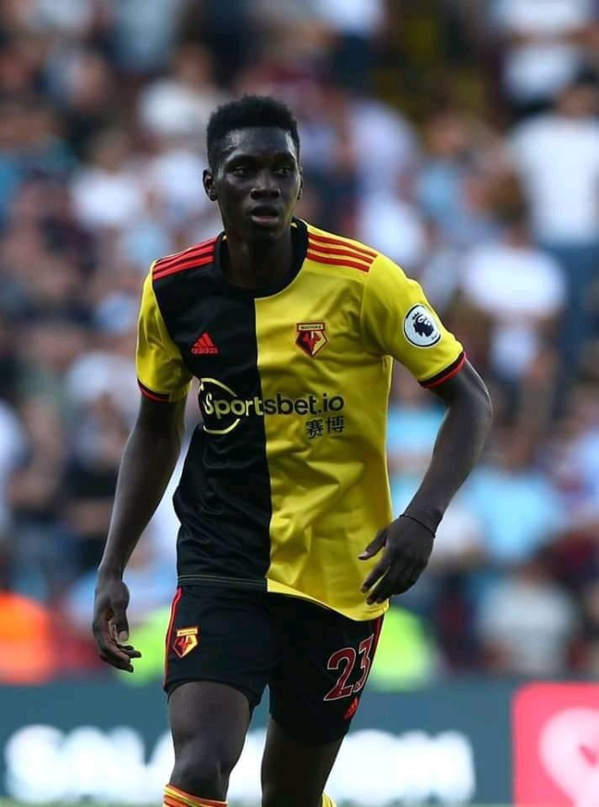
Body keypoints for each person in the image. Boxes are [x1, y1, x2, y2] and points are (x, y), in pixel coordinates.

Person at [92, 96, 492, 807]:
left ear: (301, 181)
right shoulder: (172, 289)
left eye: (282, 169)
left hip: (343, 572)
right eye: (244, 169)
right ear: (211, 183)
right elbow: (154, 429)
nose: (265, 186)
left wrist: (422, 518)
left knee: (291, 794)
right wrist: (112, 565)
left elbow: (471, 401)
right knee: (199, 767)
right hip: (223, 559)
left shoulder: (365, 280)